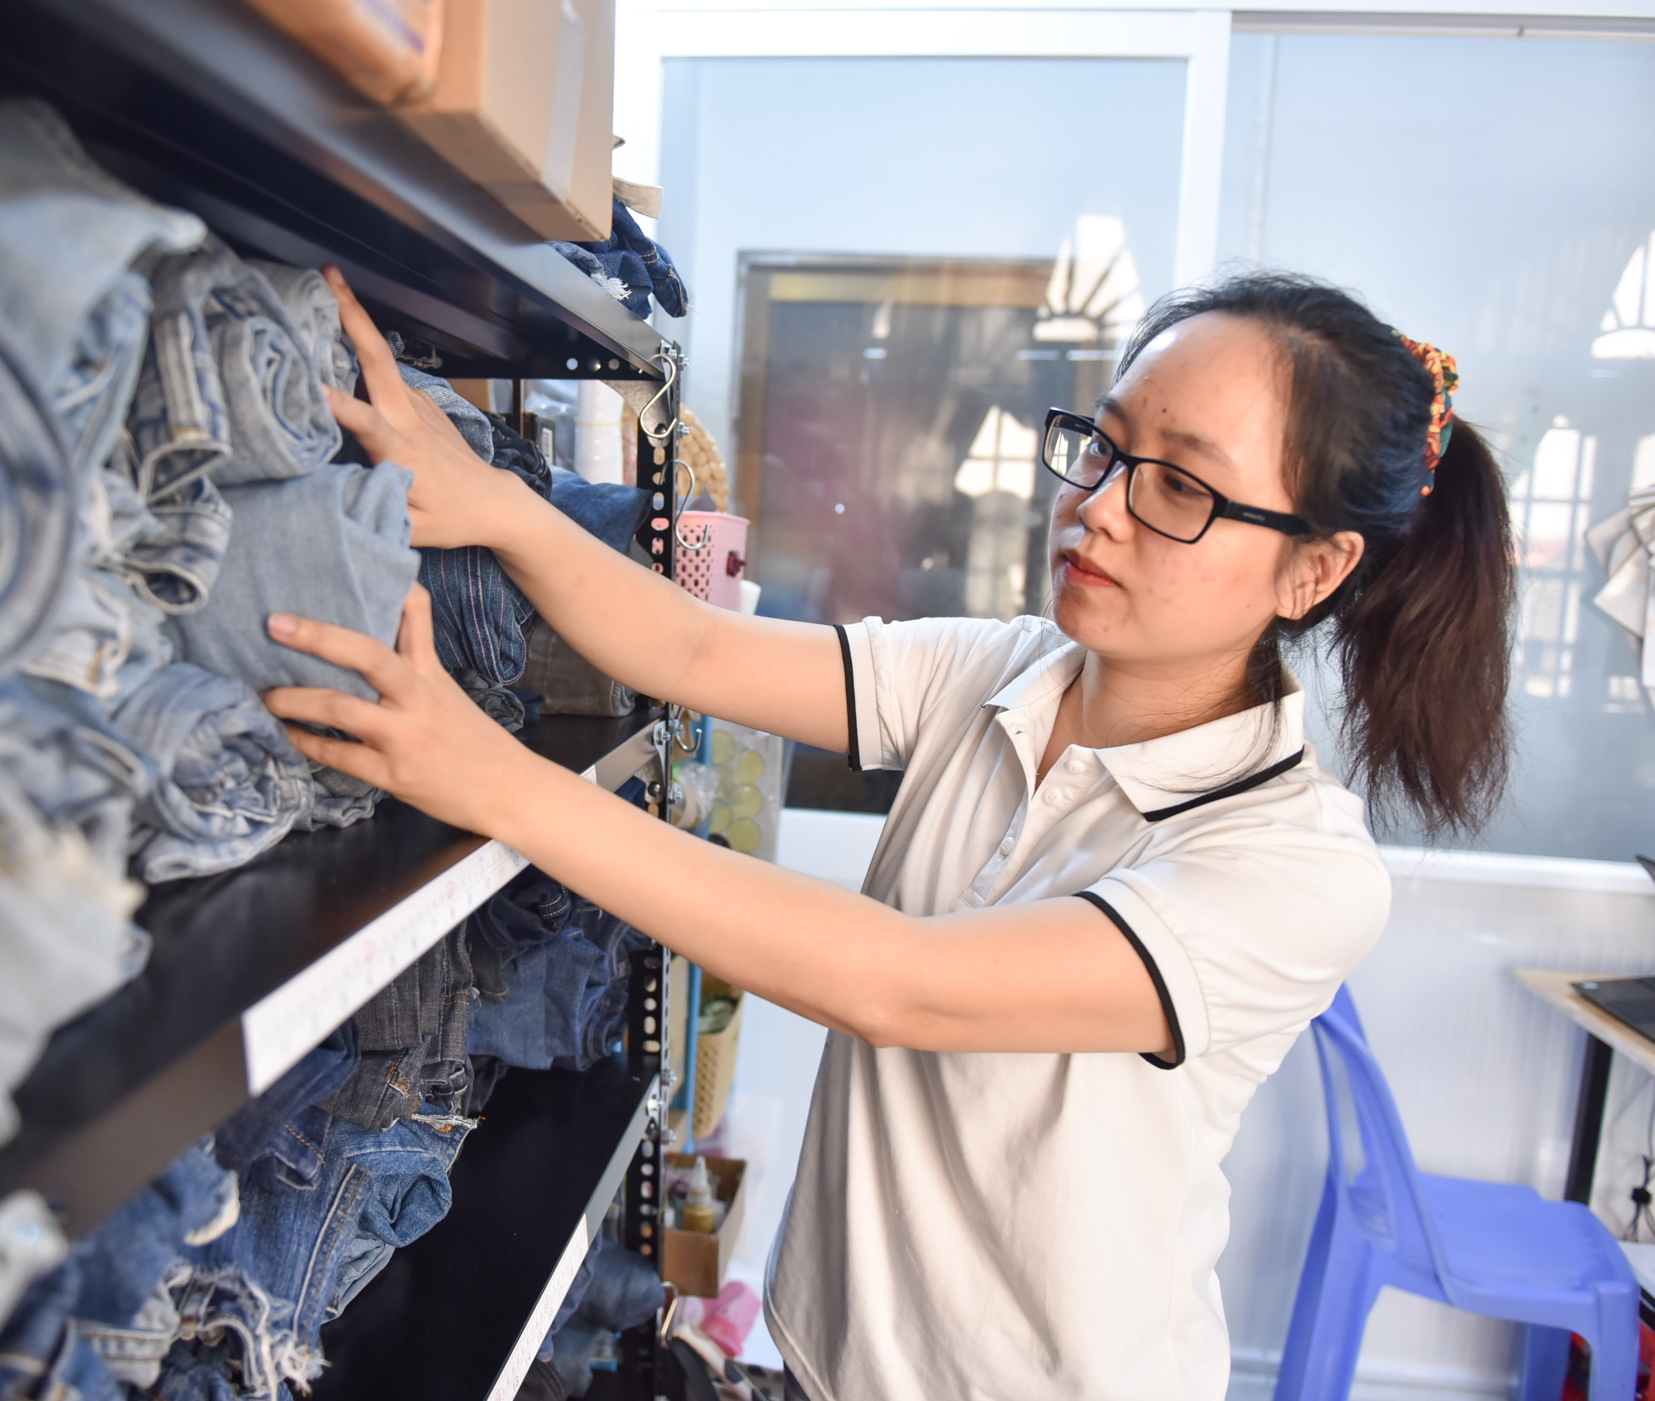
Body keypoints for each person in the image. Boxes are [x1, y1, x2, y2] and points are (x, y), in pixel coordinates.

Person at [260, 268, 1515, 1401]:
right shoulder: (1005, 669)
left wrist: (501, 785)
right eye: (1102, 447)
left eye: (1179, 484)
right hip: (829, 1354)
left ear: (1312, 571)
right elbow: (695, 650)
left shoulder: (1294, 870)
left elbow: (902, 986)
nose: (1098, 508)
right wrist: (498, 508)